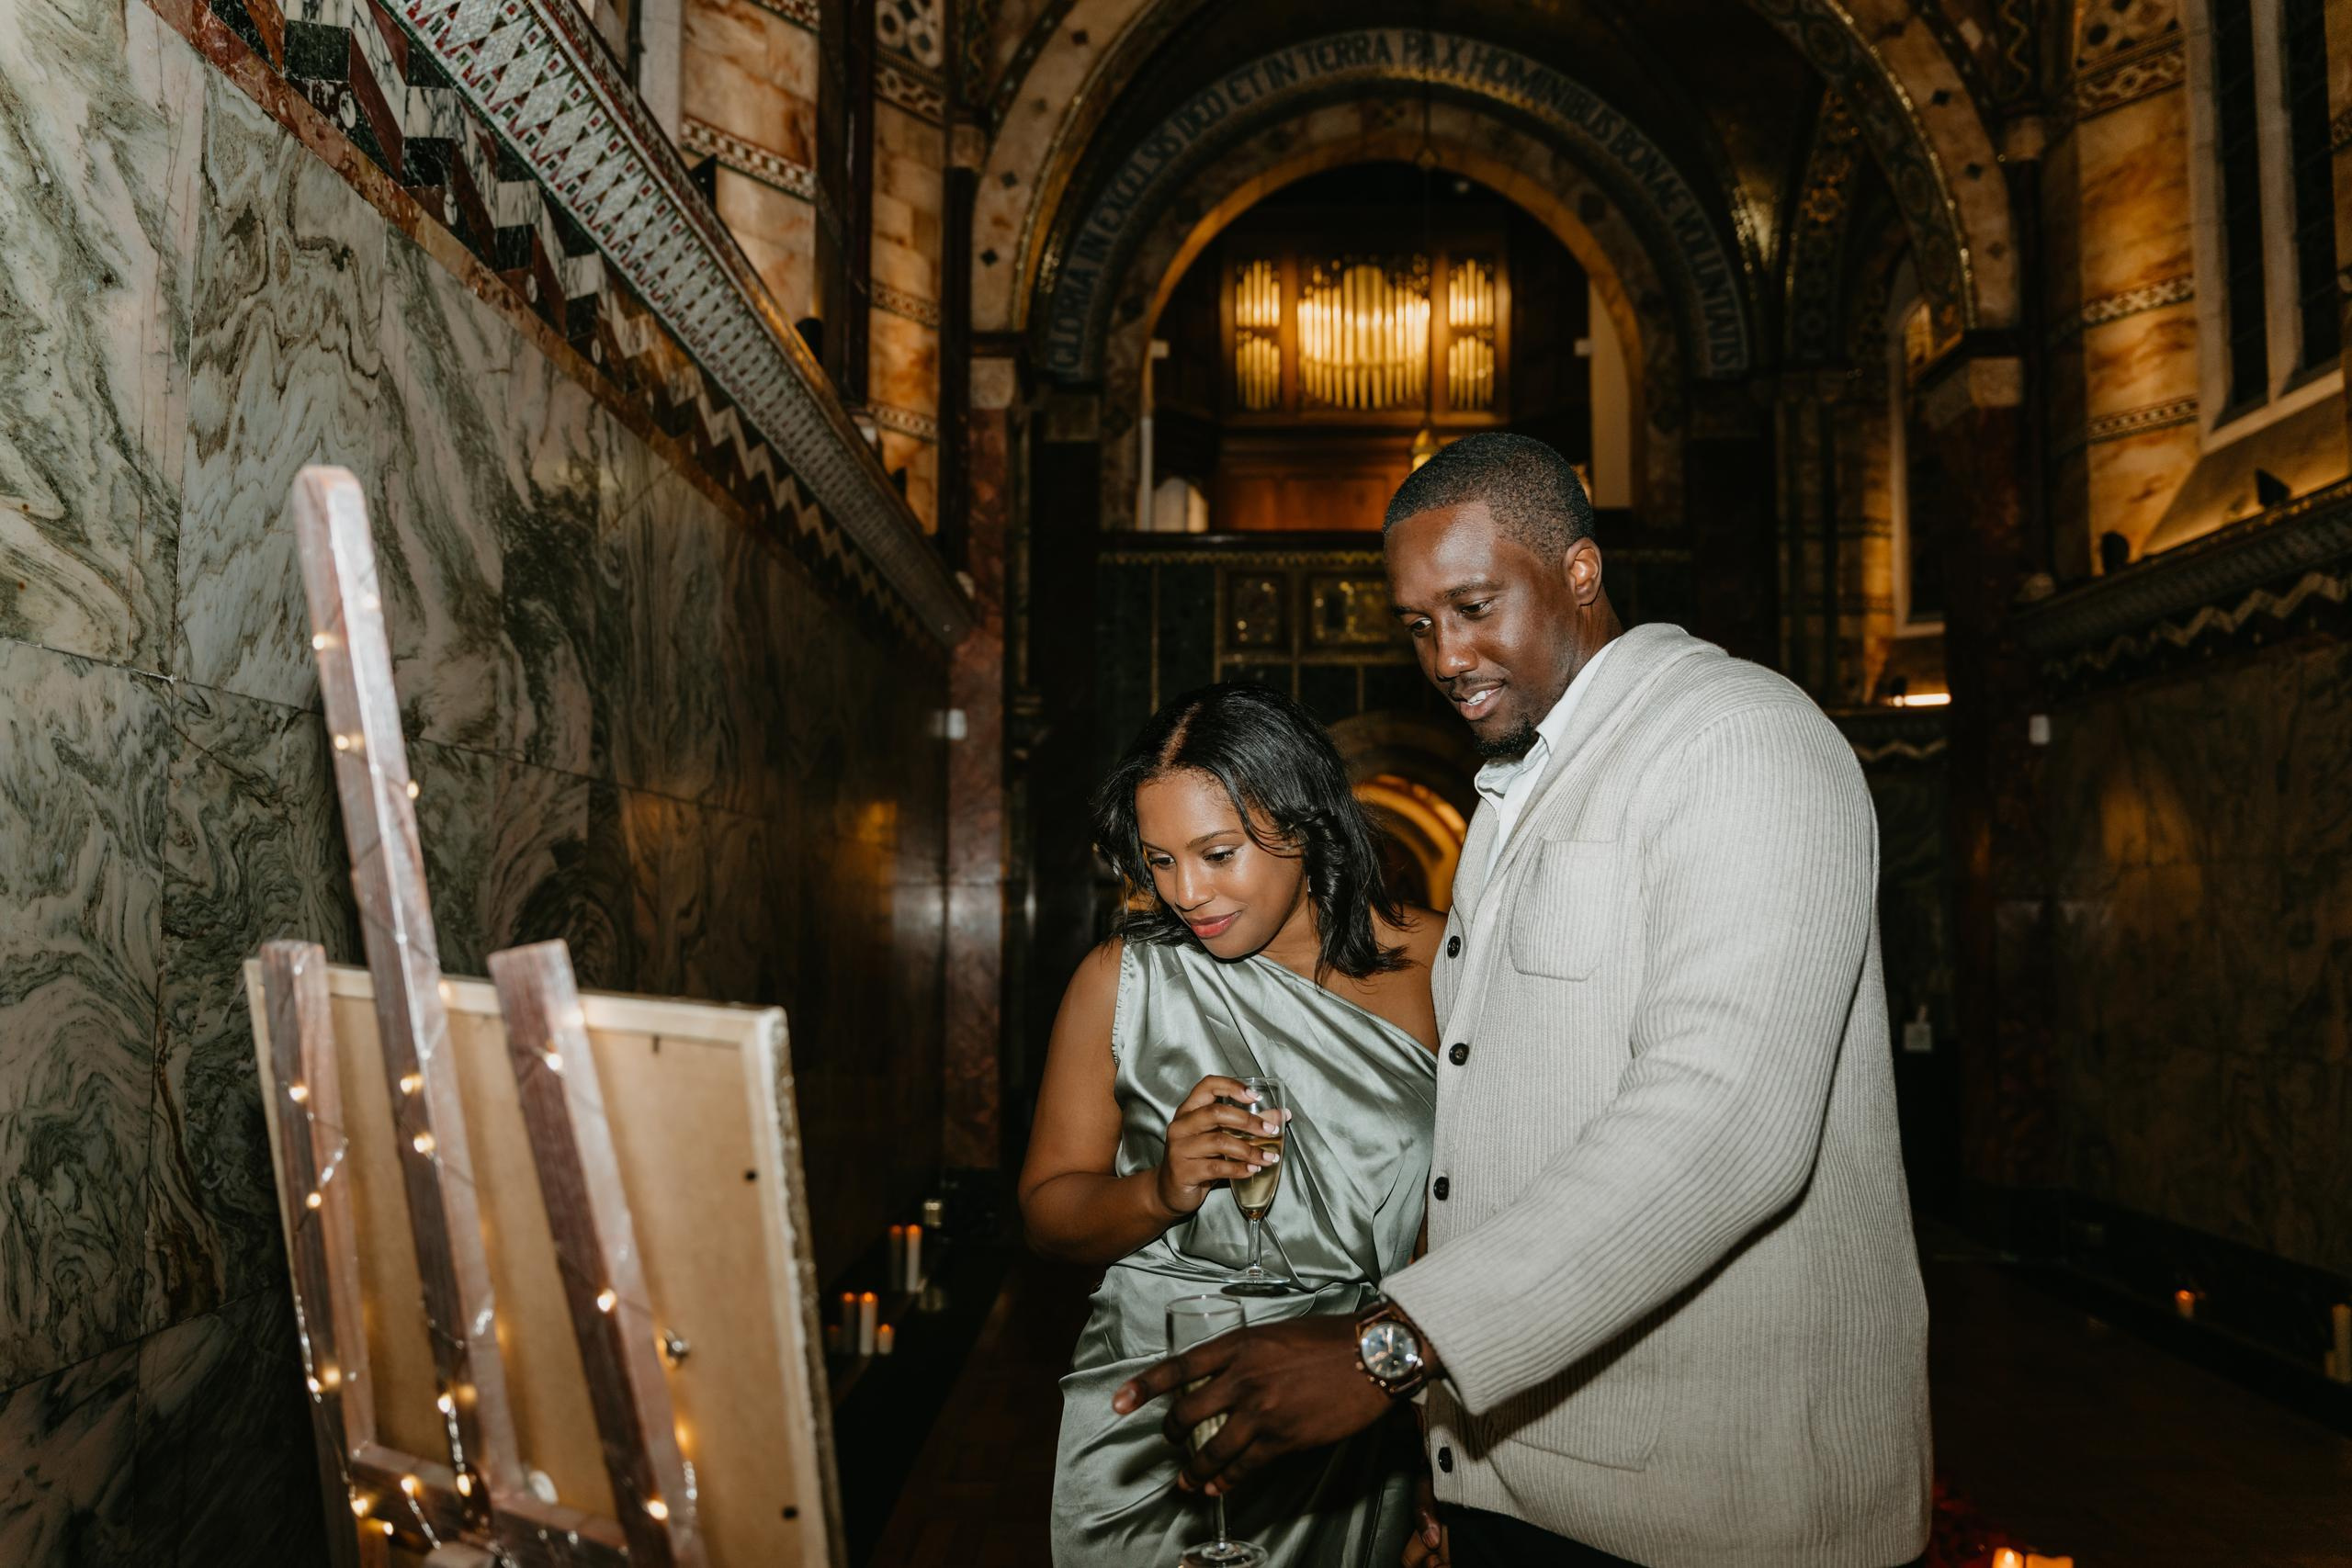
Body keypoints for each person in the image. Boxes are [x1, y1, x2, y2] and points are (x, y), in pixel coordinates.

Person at [1113, 433, 1932, 1568]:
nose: (1446, 656)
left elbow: (1725, 1125)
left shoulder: (1737, 738)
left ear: (1579, 571)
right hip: (1531, 1469)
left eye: (1474, 605)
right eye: (1417, 624)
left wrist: (1389, 1350)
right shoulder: (1519, 785)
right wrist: (1446, 1447)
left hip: (1715, 1503)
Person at [1023, 682, 1444, 1567]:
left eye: (1218, 853)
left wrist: (1438, 1445)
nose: (1187, 892)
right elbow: (1048, 1215)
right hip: (1159, 1410)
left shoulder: (1441, 970)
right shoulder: (1122, 979)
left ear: (1304, 821)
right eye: (1160, 860)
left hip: (1350, 1400)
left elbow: (1472, 1221)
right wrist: (1160, 1189)